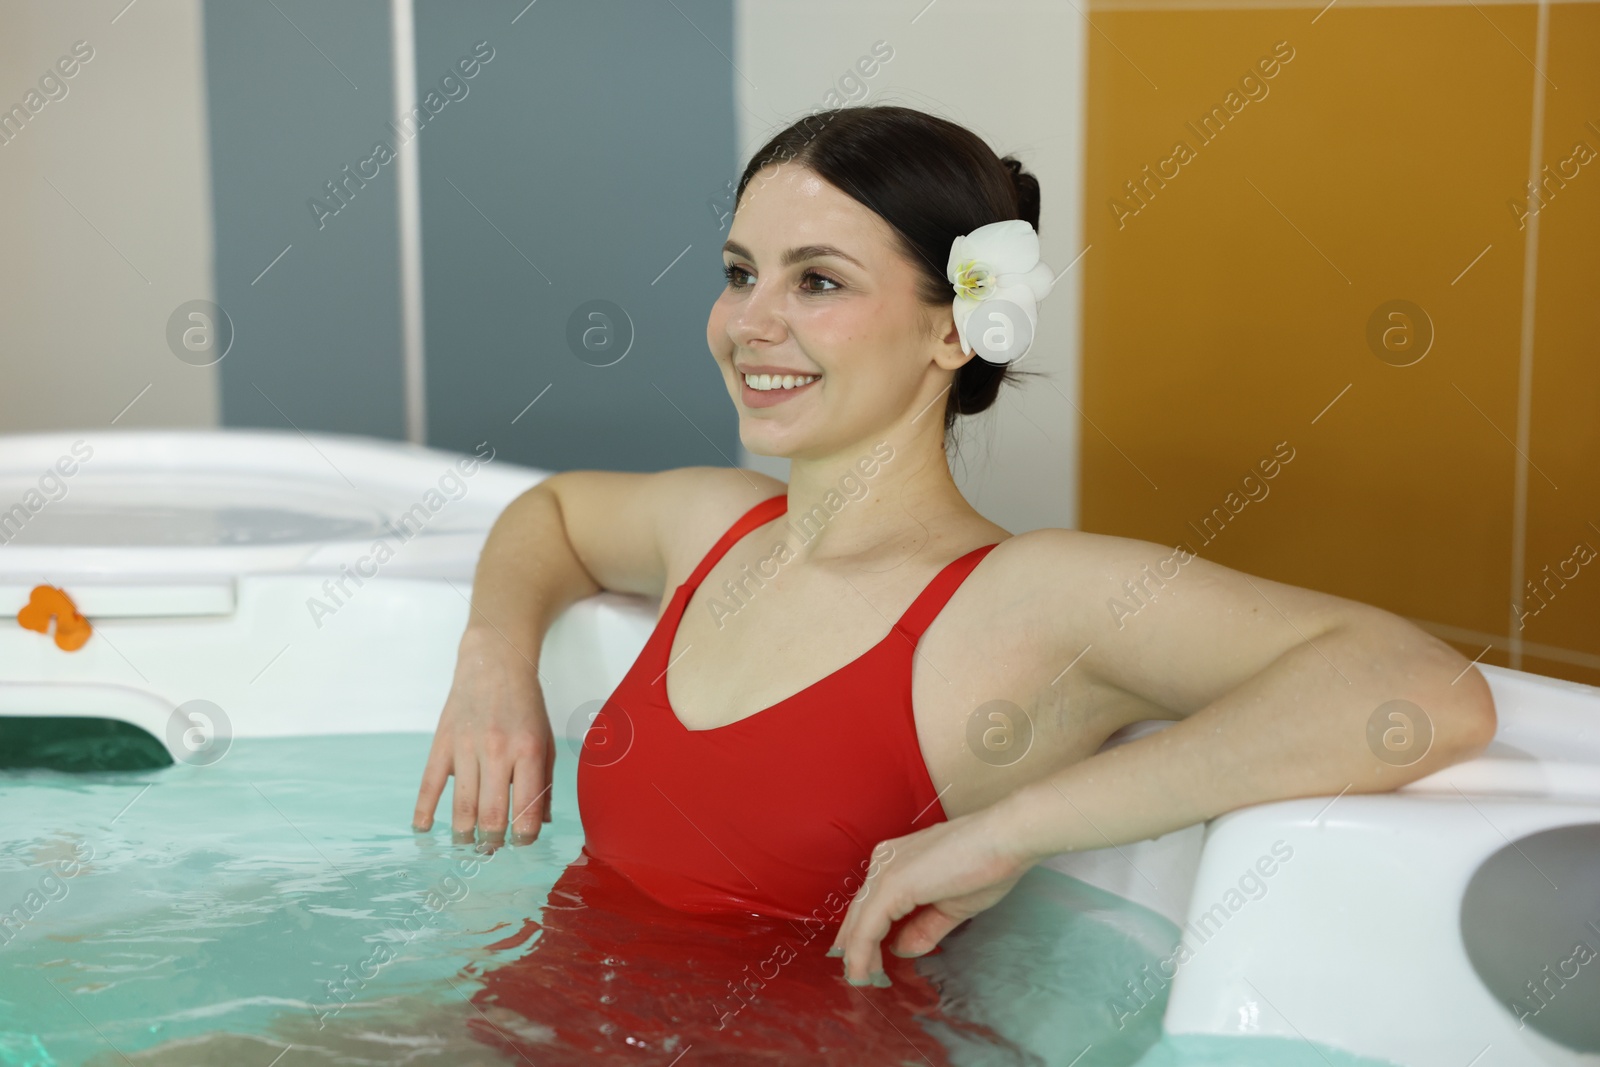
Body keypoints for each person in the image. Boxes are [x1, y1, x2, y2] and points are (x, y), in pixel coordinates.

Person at [413, 105, 1496, 1007]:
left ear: (952, 332)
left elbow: (1417, 688)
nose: (750, 320)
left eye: (818, 282)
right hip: (531, 1018)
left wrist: (1012, 829)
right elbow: (546, 514)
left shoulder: (1022, 600)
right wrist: (493, 660)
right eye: (740, 271)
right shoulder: (714, 527)